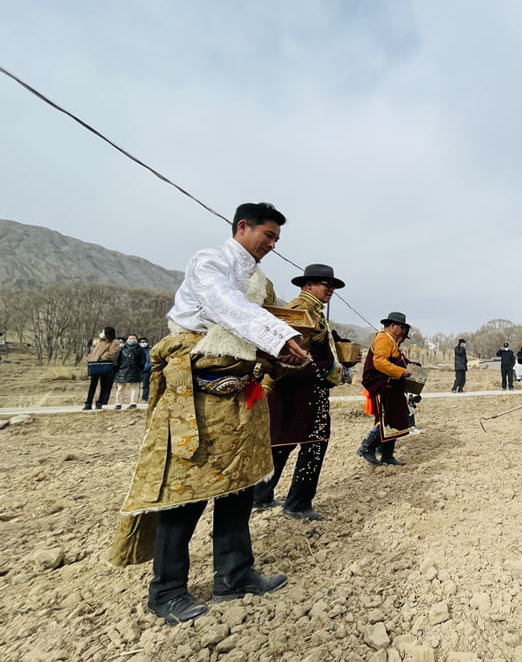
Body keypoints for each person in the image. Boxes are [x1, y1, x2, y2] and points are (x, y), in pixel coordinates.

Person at [108, 202, 310, 625]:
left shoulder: (262, 283)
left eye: (277, 239)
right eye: (268, 236)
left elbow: (263, 325)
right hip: (197, 397)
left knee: (239, 486)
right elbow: (225, 305)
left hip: (242, 398)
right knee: (186, 492)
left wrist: (287, 353)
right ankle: (166, 592)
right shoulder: (210, 262)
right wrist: (280, 335)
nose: (272, 245)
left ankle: (234, 576)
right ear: (243, 227)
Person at [254, 263, 345, 521]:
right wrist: (327, 370)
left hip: (303, 390)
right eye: (326, 285)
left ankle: (260, 496)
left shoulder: (313, 311)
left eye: (332, 286)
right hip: (298, 389)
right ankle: (298, 504)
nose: (330, 290)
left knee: (281, 443)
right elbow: (290, 354)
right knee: (312, 444)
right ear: (308, 285)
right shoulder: (299, 310)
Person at [357, 312, 414, 467]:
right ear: (393, 326)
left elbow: (394, 359)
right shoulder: (384, 338)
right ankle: (367, 447)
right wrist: (401, 371)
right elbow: (379, 362)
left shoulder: (392, 341)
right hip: (382, 384)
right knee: (386, 418)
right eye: (402, 327)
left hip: (391, 385)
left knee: (396, 418)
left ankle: (387, 456)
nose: (403, 331)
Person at [83, 327, 120, 410]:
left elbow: (112, 353)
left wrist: (102, 358)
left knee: (104, 385)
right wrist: (90, 358)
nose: (102, 333)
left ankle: (100, 402)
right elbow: (94, 352)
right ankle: (88, 403)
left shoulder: (114, 342)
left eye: (103, 332)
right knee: (92, 384)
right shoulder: (100, 341)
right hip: (95, 364)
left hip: (104, 364)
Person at [113, 334, 146, 410]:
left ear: (136, 340)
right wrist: (117, 369)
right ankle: (118, 404)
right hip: (122, 370)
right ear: (127, 340)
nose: (132, 340)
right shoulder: (121, 349)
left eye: (133, 338)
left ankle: (133, 403)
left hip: (135, 370)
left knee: (135, 387)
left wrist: (139, 368)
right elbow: (116, 360)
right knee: (120, 388)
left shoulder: (140, 349)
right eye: (130, 338)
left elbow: (142, 361)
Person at [138, 337, 152, 402]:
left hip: (147, 370)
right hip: (138, 370)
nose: (144, 343)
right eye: (142, 342)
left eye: (145, 342)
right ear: (139, 343)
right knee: (136, 386)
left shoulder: (150, 350)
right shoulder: (137, 350)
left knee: (146, 385)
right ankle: (135, 399)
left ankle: (145, 398)